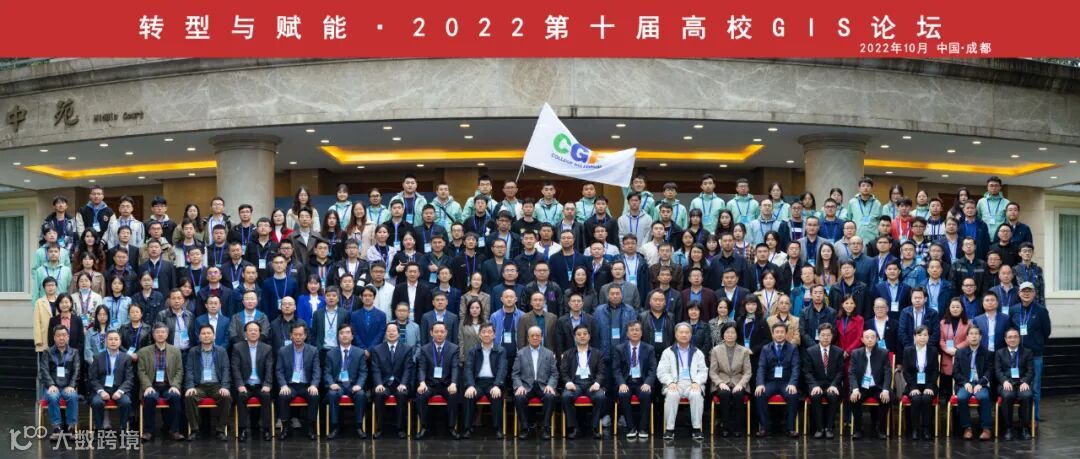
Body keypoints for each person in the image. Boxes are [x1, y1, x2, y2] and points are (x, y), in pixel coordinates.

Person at [657, 322, 708, 441]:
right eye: (681, 332)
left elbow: (703, 370)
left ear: (691, 335)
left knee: (696, 394)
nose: (684, 335)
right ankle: (669, 429)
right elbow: (662, 371)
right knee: (672, 394)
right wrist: (670, 382)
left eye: (687, 332)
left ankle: (697, 429)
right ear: (676, 335)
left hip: (692, 383)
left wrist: (697, 382)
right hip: (675, 383)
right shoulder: (668, 352)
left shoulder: (697, 352)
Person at [183, 324, 233, 441]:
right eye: (203, 333)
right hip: (199, 386)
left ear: (214, 336)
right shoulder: (193, 351)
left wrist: (225, 386)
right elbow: (189, 370)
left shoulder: (221, 351)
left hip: (216, 386)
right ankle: (195, 430)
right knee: (189, 397)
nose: (206, 336)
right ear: (199, 336)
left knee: (226, 397)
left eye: (209, 333)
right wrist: (190, 386)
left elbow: (226, 370)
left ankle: (220, 430)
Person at [137, 323, 185, 442]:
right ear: (153, 335)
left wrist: (175, 385)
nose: (160, 334)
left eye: (163, 332)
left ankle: (174, 431)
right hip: (152, 385)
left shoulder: (175, 351)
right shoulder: (144, 351)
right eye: (157, 332)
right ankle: (149, 431)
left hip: (169, 385)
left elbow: (179, 370)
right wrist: (147, 386)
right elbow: (141, 371)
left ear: (167, 334)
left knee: (175, 397)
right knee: (150, 398)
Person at [1011, 281, 1051, 421]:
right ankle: (1021, 417)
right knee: (1018, 387)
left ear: (1034, 293)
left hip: (1035, 355)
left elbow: (1046, 331)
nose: (1026, 293)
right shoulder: (1013, 310)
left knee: (1035, 388)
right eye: (1024, 291)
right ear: (1019, 293)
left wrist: (1036, 343)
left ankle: (1034, 418)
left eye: (1029, 291)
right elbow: (1010, 330)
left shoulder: (1041, 310)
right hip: (1017, 355)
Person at [559, 324, 607, 439]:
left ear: (589, 336)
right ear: (574, 337)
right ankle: (574, 427)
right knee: (566, 396)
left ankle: (594, 427)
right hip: (575, 383)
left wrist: (597, 383)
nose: (582, 336)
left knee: (600, 396)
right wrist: (568, 382)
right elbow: (563, 372)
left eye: (585, 334)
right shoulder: (568, 354)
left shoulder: (598, 353)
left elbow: (601, 372)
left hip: (592, 383)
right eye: (579, 334)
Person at [275, 322, 321, 440]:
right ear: (291, 335)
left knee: (314, 395)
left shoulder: (313, 350)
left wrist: (314, 385)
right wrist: (283, 385)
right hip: (290, 385)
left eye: (301, 335)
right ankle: (285, 428)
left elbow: (317, 370)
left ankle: (310, 428)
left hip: (306, 385)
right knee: (283, 395)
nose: (298, 337)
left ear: (305, 335)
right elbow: (279, 371)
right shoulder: (283, 351)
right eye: (295, 334)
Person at [754, 322, 800, 438]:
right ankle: (765, 428)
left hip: (786, 382)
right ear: (773, 334)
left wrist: (792, 383)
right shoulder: (765, 348)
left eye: (782, 332)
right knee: (760, 394)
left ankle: (790, 429)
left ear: (786, 334)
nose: (779, 334)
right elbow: (761, 368)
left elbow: (796, 368)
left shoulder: (793, 348)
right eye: (777, 332)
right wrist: (760, 384)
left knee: (793, 395)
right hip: (771, 382)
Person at [231, 321, 275, 442]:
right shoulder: (238, 347)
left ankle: (266, 429)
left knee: (266, 396)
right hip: (245, 385)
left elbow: (269, 368)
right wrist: (240, 385)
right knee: (241, 397)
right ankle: (242, 429)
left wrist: (267, 384)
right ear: (245, 333)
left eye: (256, 330)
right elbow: (235, 368)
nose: (253, 332)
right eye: (250, 330)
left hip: (261, 385)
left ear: (260, 333)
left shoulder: (267, 348)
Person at [462, 323, 508, 439]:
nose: (486, 334)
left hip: (493, 383)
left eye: (489, 332)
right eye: (483, 332)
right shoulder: (473, 350)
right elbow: (468, 369)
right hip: (477, 383)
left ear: (494, 335)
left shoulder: (500, 350)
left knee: (496, 395)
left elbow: (502, 369)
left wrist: (497, 385)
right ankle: (467, 428)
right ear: (479, 335)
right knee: (468, 395)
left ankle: (497, 428)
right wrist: (470, 385)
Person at [370, 323, 416, 439]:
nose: (391, 333)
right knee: (379, 394)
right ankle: (380, 428)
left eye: (394, 331)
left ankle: (400, 428)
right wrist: (379, 384)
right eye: (389, 331)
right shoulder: (377, 349)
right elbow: (375, 369)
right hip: (383, 383)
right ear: (385, 334)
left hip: (399, 383)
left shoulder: (407, 349)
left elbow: (408, 369)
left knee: (401, 394)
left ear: (398, 334)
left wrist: (403, 384)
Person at [513, 326, 558, 440]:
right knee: (519, 397)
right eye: (532, 336)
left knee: (550, 397)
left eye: (537, 335)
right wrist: (519, 386)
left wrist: (550, 385)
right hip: (526, 386)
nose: (535, 338)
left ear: (541, 337)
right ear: (528, 338)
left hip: (543, 386)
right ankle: (525, 428)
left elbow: (554, 373)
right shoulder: (521, 353)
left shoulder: (549, 353)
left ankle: (546, 428)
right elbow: (515, 374)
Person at [324, 324, 368, 439]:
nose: (344, 335)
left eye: (348, 333)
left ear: (352, 336)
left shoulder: (360, 353)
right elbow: (327, 373)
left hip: (353, 385)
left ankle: (359, 427)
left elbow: (363, 372)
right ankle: (335, 427)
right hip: (338, 385)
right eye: (341, 333)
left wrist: (359, 385)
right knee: (332, 394)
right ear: (338, 336)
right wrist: (331, 384)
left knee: (361, 394)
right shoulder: (330, 353)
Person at [708, 322, 751, 438]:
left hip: (738, 381)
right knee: (724, 394)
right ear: (723, 334)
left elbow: (747, 372)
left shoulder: (744, 351)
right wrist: (720, 383)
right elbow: (713, 372)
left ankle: (738, 427)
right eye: (727, 332)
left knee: (738, 394)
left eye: (733, 332)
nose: (730, 335)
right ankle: (725, 427)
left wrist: (741, 384)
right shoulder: (716, 350)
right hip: (722, 382)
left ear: (737, 335)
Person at [848, 328, 892, 439]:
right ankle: (858, 429)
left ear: (876, 339)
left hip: (878, 387)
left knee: (885, 399)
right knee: (854, 399)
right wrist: (855, 389)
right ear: (862, 340)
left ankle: (881, 430)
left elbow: (887, 373)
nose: (870, 339)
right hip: (862, 387)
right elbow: (852, 372)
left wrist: (885, 390)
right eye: (867, 337)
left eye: (872, 337)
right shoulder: (856, 353)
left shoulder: (883, 353)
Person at [39, 324, 81, 440]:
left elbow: (77, 371)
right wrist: (51, 385)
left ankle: (71, 427)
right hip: (53, 386)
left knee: (72, 396)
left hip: (68, 386)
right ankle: (56, 428)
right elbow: (44, 370)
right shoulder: (47, 352)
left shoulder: (74, 352)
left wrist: (72, 385)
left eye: (63, 335)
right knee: (53, 397)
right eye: (58, 335)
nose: (61, 338)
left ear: (68, 337)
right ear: (54, 338)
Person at [953, 325, 994, 440]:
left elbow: (990, 371)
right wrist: (965, 383)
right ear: (967, 337)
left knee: (984, 397)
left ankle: (986, 428)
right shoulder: (960, 353)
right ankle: (967, 428)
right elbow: (956, 372)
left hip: (981, 383)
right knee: (961, 397)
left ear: (980, 337)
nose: (974, 336)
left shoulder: (987, 353)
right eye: (971, 334)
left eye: (976, 334)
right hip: (965, 384)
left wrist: (981, 383)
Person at [804, 323, 844, 439]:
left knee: (832, 395)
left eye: (828, 335)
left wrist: (834, 385)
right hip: (816, 384)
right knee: (816, 396)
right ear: (818, 336)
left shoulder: (838, 351)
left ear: (832, 336)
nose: (825, 337)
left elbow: (840, 372)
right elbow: (807, 372)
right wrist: (814, 385)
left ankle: (829, 428)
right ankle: (819, 428)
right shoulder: (810, 351)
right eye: (823, 335)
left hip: (832, 384)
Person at [89, 330, 134, 431]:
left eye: (116, 339)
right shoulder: (98, 357)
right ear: (106, 341)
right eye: (110, 339)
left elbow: (129, 378)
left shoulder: (126, 358)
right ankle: (98, 429)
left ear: (120, 341)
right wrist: (101, 391)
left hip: (119, 389)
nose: (113, 342)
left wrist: (120, 391)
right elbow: (93, 378)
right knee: (96, 402)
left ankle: (123, 429)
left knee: (126, 402)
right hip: (102, 389)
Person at [995, 327, 1034, 440]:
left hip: (1022, 383)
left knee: (1027, 395)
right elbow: (998, 371)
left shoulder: (1027, 352)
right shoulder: (999, 353)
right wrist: (1004, 381)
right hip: (1006, 383)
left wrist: (1025, 381)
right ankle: (1008, 428)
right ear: (1005, 339)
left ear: (1019, 338)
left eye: (1015, 337)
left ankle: (1024, 428)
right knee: (1007, 395)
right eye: (1010, 337)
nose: (1013, 339)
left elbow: (1030, 370)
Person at [902, 325, 939, 440]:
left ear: (928, 337)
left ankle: (927, 429)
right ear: (914, 337)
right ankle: (914, 429)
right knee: (916, 399)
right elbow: (906, 372)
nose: (922, 337)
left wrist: (930, 386)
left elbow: (935, 371)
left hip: (929, 384)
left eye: (925, 335)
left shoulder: (933, 351)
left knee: (927, 398)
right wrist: (913, 387)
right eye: (919, 335)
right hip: (913, 385)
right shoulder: (908, 351)